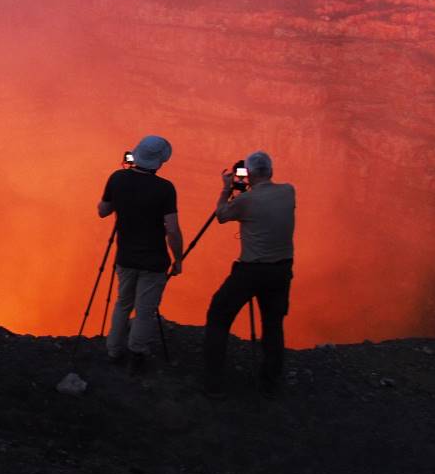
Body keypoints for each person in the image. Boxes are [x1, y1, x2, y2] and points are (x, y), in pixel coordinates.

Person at [203, 150, 295, 398]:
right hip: (281, 271)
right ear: (271, 171)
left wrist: (227, 189)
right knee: (273, 324)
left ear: (250, 174)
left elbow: (222, 216)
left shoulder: (245, 202)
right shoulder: (289, 191)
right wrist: (249, 187)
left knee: (219, 315)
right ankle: (270, 381)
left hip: (251, 270)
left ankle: (212, 381)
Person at [98, 135, 183, 374]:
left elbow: (103, 211)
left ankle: (114, 350)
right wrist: (178, 259)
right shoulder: (165, 189)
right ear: (160, 160)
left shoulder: (117, 178)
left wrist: (121, 197)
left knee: (122, 303)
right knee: (145, 309)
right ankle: (136, 353)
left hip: (125, 258)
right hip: (154, 262)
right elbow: (173, 230)